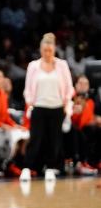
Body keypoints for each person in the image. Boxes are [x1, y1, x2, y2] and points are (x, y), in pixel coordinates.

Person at [20, 33, 74, 181]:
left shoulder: (62, 65)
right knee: (35, 139)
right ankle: (26, 168)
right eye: (45, 50)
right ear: (41, 49)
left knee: (54, 140)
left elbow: (69, 87)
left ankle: (50, 168)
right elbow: (28, 89)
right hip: (39, 106)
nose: (47, 53)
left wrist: (66, 104)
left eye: (50, 50)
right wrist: (30, 103)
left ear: (54, 49)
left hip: (57, 107)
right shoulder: (33, 66)